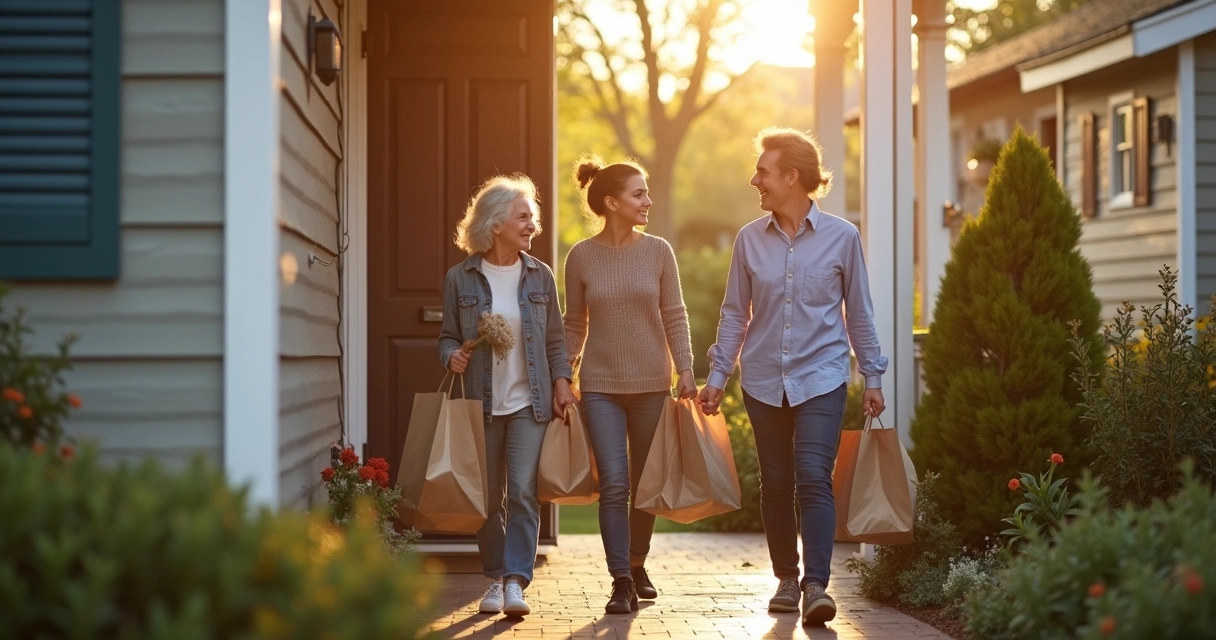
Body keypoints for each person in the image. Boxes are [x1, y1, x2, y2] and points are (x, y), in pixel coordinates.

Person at [697, 128, 887, 626]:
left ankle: (815, 586)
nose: (754, 180)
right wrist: (717, 375)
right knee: (777, 482)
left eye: (763, 171)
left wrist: (872, 375)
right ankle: (786, 578)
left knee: (813, 476)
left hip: (821, 376)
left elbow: (859, 313)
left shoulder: (843, 237)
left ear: (791, 177)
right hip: (763, 378)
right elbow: (734, 313)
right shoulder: (748, 240)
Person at [438, 174, 578, 618]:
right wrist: (451, 356)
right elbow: (446, 336)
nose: (532, 225)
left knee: (521, 492)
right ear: (495, 223)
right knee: (486, 497)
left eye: (532, 217)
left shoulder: (540, 276)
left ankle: (516, 579)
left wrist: (562, 381)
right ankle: (494, 577)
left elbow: (555, 340)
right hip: (479, 405)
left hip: (528, 403)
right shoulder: (460, 278)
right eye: (523, 217)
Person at [563, 155, 697, 615]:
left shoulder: (659, 251)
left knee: (644, 483)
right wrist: (564, 375)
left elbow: (674, 313)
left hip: (653, 385)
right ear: (611, 202)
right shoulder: (581, 256)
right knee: (615, 484)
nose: (648, 201)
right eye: (639, 194)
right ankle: (620, 580)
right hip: (600, 386)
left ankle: (637, 564)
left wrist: (686, 369)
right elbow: (574, 323)